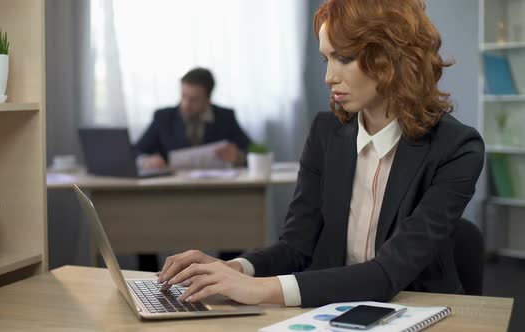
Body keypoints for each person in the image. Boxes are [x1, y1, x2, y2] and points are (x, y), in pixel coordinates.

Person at [155, 0, 485, 308]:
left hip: (419, 308)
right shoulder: (326, 132)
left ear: (391, 55)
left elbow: (388, 273)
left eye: (343, 58)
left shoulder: (456, 148)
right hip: (332, 308)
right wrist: (235, 269)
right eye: (327, 59)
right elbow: (296, 247)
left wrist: (261, 289)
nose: (329, 78)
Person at [136, 67, 252, 170]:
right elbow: (135, 151)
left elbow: (255, 151)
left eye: (193, 99)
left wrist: (239, 157)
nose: (185, 104)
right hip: (174, 188)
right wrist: (146, 160)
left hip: (216, 188)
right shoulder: (163, 118)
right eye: (183, 96)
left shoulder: (225, 117)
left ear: (208, 99)